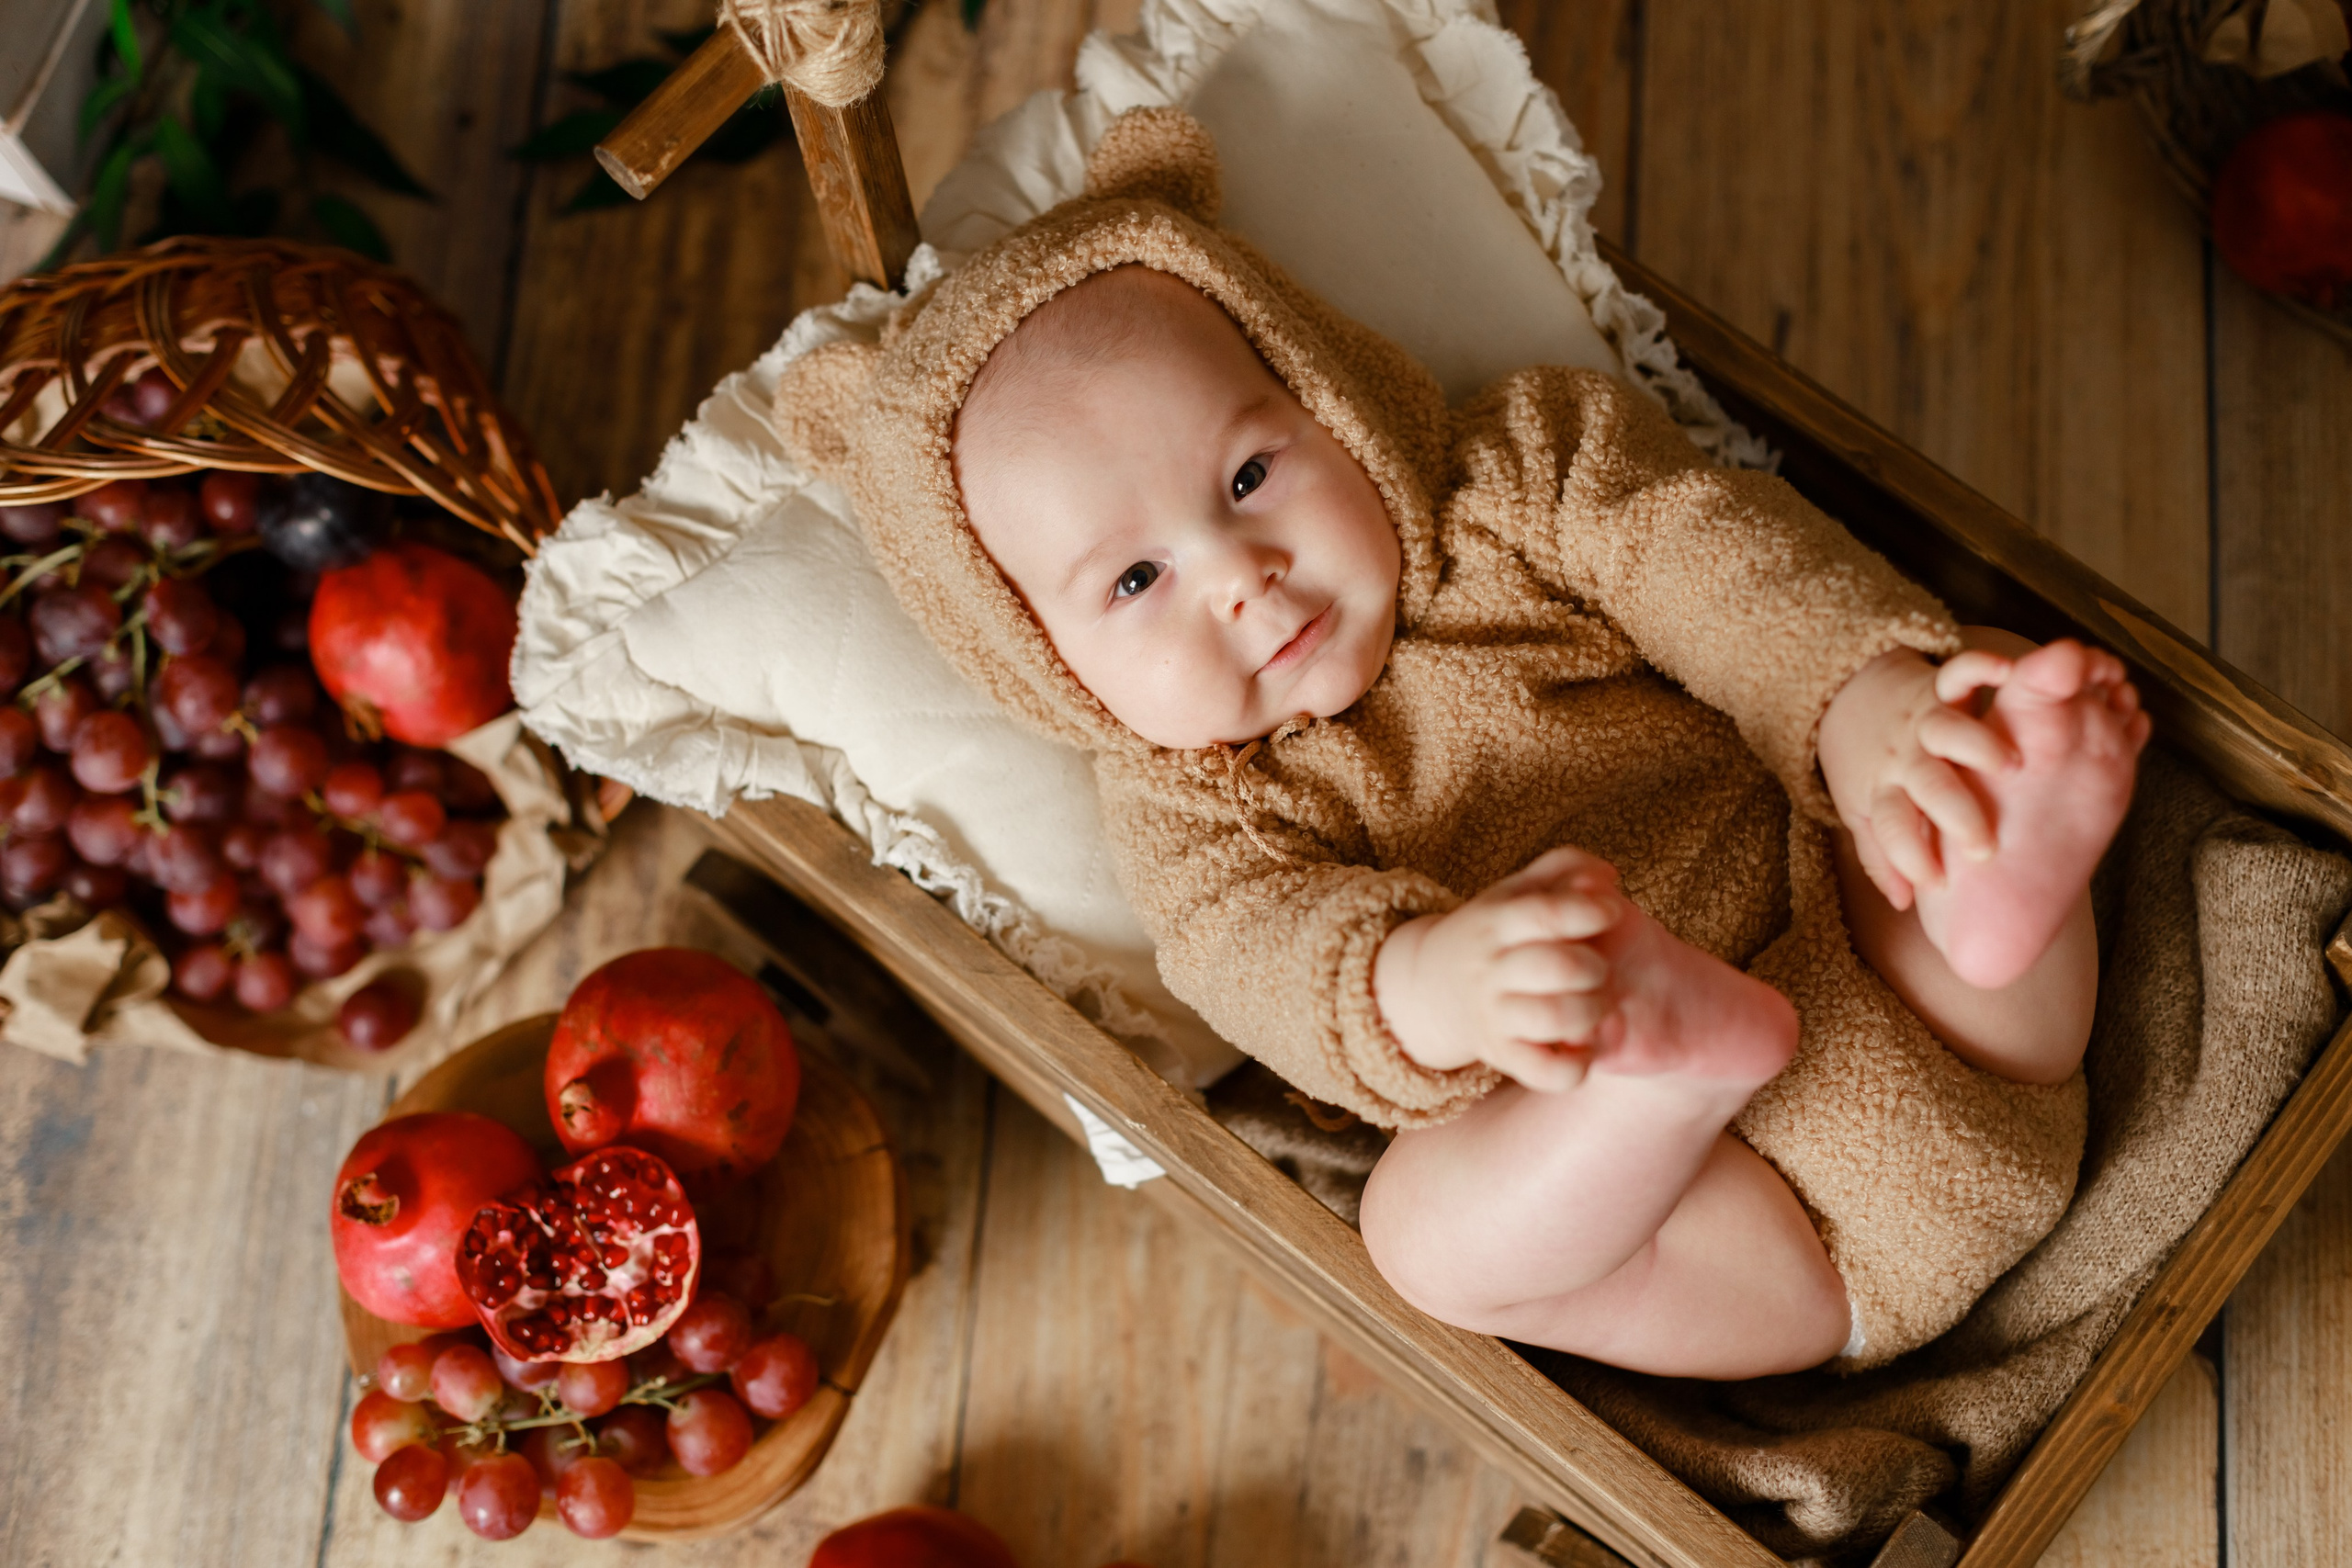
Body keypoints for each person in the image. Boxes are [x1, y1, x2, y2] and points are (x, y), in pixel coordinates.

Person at [775, 107, 2147, 1378]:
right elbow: (1267, 960)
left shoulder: (1522, 473)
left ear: (1324, 389)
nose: (1242, 574)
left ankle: (2005, 871)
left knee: (1957, 714)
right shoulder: (1192, 817)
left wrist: (1854, 707)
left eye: (1251, 476)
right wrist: (1432, 984)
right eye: (1135, 583)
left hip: (1919, 981)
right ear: (1041, 661)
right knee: (1426, 1235)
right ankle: (1663, 1070)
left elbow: (1716, 563)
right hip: (1752, 1236)